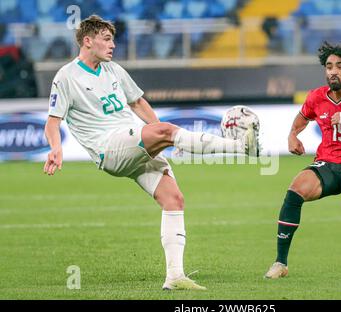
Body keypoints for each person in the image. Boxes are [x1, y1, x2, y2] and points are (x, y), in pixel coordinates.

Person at [43, 15, 259, 291]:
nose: (113, 46)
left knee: (174, 199)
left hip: (132, 145)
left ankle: (175, 276)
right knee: (166, 131)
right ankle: (242, 147)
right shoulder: (66, 76)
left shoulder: (114, 70)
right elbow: (53, 122)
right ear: (88, 41)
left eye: (113, 40)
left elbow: (137, 102)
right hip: (109, 148)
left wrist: (160, 136)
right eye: (107, 39)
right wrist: (55, 148)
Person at [264, 42, 341, 279]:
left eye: (340, 66)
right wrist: (293, 135)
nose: (333, 71)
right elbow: (302, 118)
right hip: (327, 164)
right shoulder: (317, 97)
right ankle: (280, 263)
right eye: (329, 66)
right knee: (295, 189)